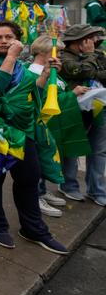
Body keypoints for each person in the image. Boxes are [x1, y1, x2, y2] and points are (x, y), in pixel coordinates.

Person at [0, 21, 68, 255]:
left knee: (29, 179)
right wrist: (10, 56)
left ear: (18, 39)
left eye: (9, 36)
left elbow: (33, 94)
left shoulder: (22, 67)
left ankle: (33, 229)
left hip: (24, 132)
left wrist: (48, 73)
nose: (4, 40)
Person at [26, 35, 91, 217]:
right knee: (38, 162)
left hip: (51, 125)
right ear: (43, 52)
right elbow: (42, 100)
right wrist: (73, 93)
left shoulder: (52, 70)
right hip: (40, 125)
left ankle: (42, 191)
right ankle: (36, 196)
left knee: (46, 160)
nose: (61, 55)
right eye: (58, 51)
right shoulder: (32, 71)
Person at [58, 24, 106, 207]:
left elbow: (99, 72)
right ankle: (68, 185)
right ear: (80, 41)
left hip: (98, 106)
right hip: (74, 108)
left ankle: (97, 190)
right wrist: (90, 56)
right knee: (73, 148)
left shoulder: (98, 54)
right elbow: (85, 71)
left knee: (99, 150)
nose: (95, 41)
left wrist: (93, 63)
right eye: (91, 38)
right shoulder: (63, 57)